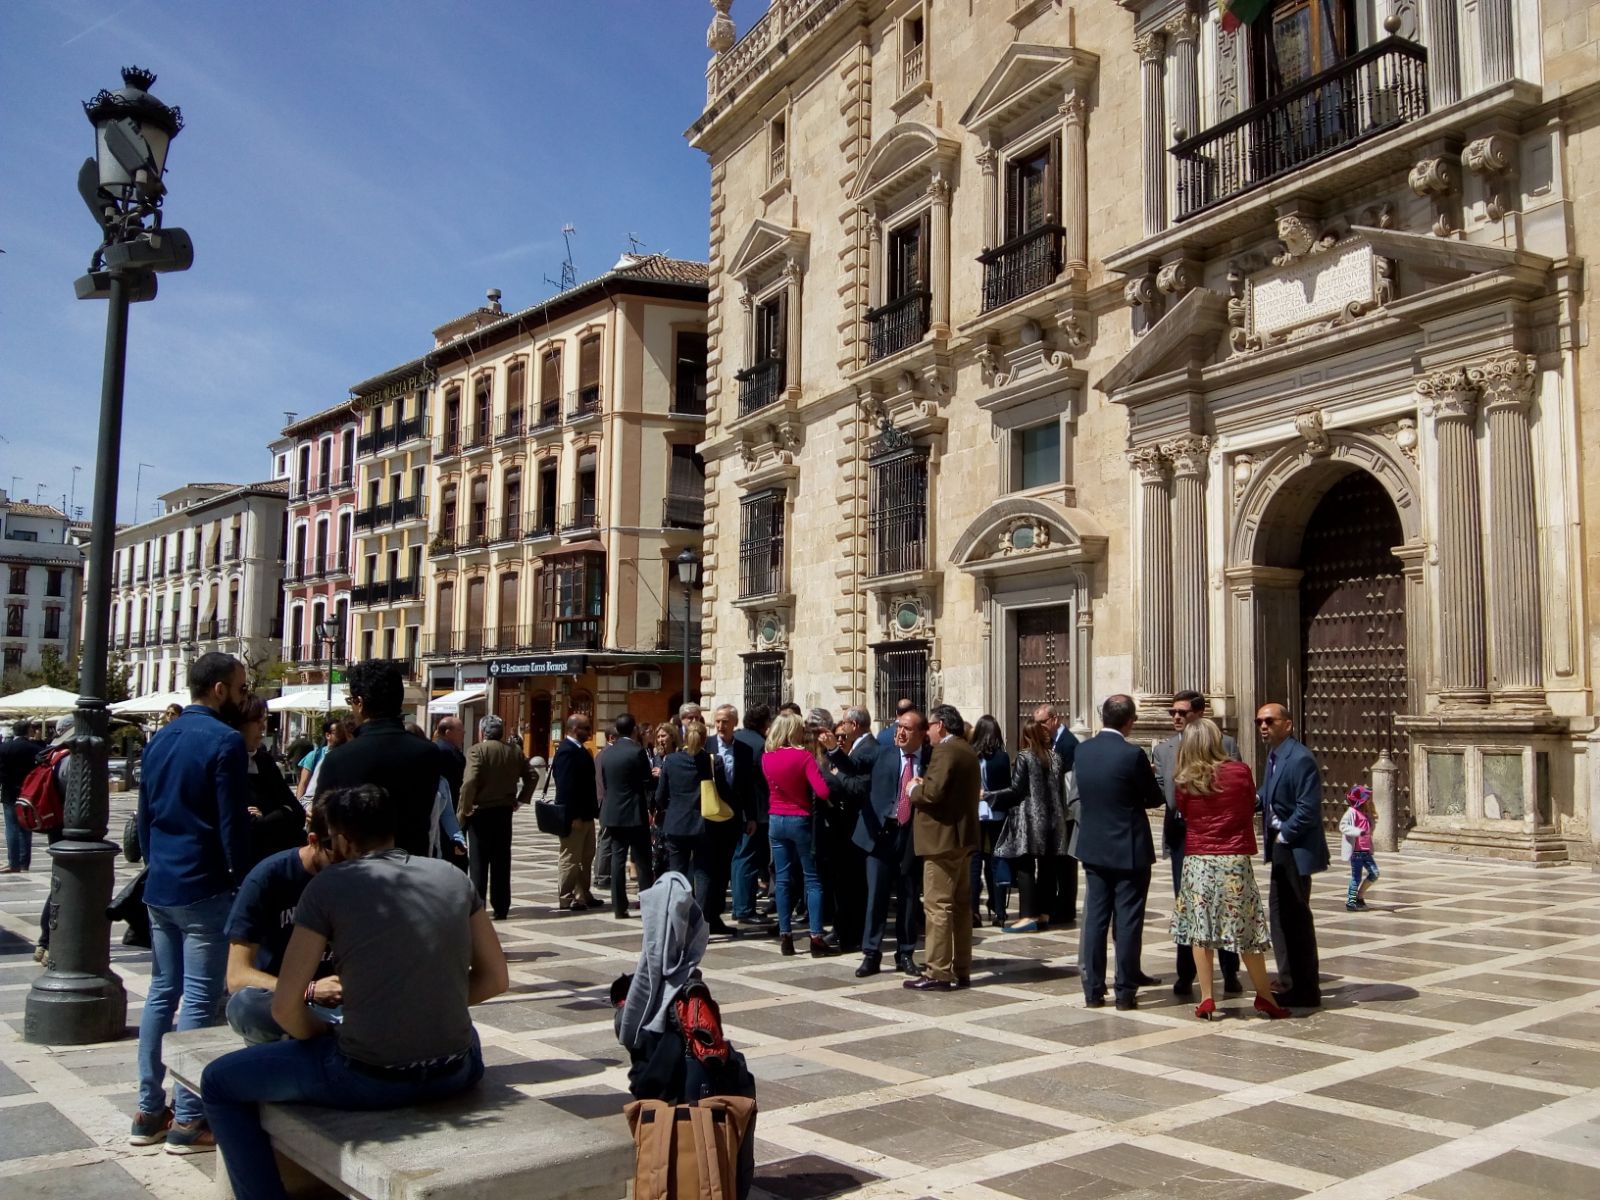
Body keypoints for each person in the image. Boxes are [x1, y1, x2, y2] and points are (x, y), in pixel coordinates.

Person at [200, 784, 509, 1200]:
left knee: (218, 1081)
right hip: (456, 1068)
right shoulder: (452, 876)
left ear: (342, 839)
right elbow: (496, 980)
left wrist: (321, 1035)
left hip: (368, 1077)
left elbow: (286, 1005)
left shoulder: (328, 888)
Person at [131, 652, 253, 1151]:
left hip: (161, 883)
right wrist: (243, 880)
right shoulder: (224, 741)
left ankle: (147, 1109)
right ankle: (188, 1118)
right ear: (220, 689)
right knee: (200, 999)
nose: (246, 696)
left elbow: (144, 814)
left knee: (162, 993)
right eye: (242, 688)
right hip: (204, 884)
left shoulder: (162, 736)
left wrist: (154, 866)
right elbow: (231, 824)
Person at [1169, 718, 1289, 1021]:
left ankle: (1207, 998)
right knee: (1246, 930)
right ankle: (1264, 995)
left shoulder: (1183, 779)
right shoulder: (1240, 771)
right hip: (1233, 859)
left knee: (1201, 930)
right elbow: (1250, 805)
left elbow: (1182, 811)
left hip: (1198, 861)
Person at [223, 798, 342, 1044]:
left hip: (346, 1002)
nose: (346, 865)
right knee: (244, 1005)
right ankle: (327, 1037)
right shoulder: (268, 878)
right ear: (313, 841)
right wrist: (308, 990)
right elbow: (237, 976)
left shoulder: (358, 877)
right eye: (337, 855)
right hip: (288, 1001)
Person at [1073, 694, 1164, 1011]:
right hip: (1129, 848)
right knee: (1128, 922)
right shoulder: (1132, 754)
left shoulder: (1083, 751)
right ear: (1129, 721)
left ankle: (1093, 991)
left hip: (1094, 847)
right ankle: (1125, 991)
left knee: (1095, 920)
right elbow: (1154, 798)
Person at [1153, 691, 1242, 998]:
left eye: (1182, 713)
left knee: (1227, 904)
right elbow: (1164, 793)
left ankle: (1230, 971)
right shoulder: (1164, 750)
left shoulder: (1226, 744)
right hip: (1183, 836)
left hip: (1219, 836)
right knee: (1186, 905)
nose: (1176, 718)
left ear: (1199, 713)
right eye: (1172, 713)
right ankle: (1185, 973)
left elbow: (1236, 788)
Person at [314, 660, 442, 858]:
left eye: (351, 702)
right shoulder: (428, 754)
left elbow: (321, 825)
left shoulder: (338, 759)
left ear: (360, 703)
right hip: (413, 869)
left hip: (357, 873)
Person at [1256, 702, 1330, 1008]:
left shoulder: (1299, 759)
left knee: (1296, 918)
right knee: (1279, 915)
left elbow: (1308, 807)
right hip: (1280, 848)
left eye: (1269, 721)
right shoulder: (1275, 756)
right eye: (1259, 721)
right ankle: (1288, 980)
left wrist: (1284, 832)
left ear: (1287, 724)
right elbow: (1266, 795)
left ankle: (1306, 988)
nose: (1263, 726)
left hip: (1294, 849)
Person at [904, 704, 981, 991]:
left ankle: (937, 971)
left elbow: (933, 793)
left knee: (937, 907)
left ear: (942, 726)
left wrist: (914, 788)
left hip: (941, 841)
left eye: (931, 726)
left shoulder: (945, 750)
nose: (928, 733)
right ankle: (962, 967)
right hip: (962, 838)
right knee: (961, 906)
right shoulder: (966, 749)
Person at [853, 707, 929, 977]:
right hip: (881, 835)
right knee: (877, 895)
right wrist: (833, 752)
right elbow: (854, 767)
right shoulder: (882, 752)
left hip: (911, 835)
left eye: (907, 728)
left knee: (909, 895)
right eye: (899, 727)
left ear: (922, 733)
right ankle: (871, 954)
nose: (900, 732)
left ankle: (906, 953)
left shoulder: (930, 760)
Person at [654, 719, 738, 934]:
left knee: (677, 876)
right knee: (704, 876)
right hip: (704, 826)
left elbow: (660, 796)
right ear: (704, 740)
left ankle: (676, 924)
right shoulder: (713, 762)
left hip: (676, 825)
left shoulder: (671, 761)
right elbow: (725, 794)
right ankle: (701, 925)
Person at [762, 712, 835, 957]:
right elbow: (823, 792)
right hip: (800, 818)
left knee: (782, 879)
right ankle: (816, 936)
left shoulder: (767, 757)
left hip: (776, 818)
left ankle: (786, 935)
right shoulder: (803, 756)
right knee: (811, 879)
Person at [989, 718, 1069, 933]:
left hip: (1031, 819)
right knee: (1047, 868)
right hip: (1054, 819)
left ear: (1025, 737)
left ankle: (1027, 915)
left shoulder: (1024, 757)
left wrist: (989, 796)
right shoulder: (1056, 757)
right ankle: (1044, 913)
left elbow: (1016, 790)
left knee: (1024, 866)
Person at [458, 714, 532, 920]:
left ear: (482, 732)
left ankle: (478, 906)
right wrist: (521, 799)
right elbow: (532, 776)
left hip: (481, 812)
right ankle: (501, 906)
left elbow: (470, 781)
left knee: (479, 862)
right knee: (501, 860)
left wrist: (465, 807)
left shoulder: (477, 751)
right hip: (504, 812)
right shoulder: (514, 751)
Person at [819, 705, 876, 947]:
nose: (841, 729)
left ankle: (851, 932)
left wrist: (835, 774)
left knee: (853, 883)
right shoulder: (858, 747)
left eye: (844, 724)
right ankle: (843, 927)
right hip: (846, 825)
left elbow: (858, 786)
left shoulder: (868, 749)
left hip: (857, 824)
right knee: (844, 882)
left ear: (854, 725)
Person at [237, 696, 306, 867]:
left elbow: (297, 814)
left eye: (264, 720)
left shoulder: (264, 761)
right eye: (256, 721)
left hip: (274, 860)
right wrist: (282, 813)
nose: (263, 727)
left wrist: (268, 818)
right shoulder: (228, 765)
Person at [600, 713, 656, 918]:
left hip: (613, 812)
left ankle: (618, 905)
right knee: (642, 860)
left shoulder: (607, 753)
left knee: (617, 858)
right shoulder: (637, 751)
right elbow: (646, 781)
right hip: (634, 812)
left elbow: (606, 782)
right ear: (634, 730)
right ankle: (648, 902)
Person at [707, 704, 757, 929]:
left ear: (734, 724)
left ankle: (715, 914)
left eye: (725, 721)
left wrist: (752, 817)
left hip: (733, 817)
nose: (720, 726)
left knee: (724, 867)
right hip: (708, 817)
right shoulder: (706, 746)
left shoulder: (745, 750)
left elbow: (748, 787)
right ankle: (704, 914)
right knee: (708, 866)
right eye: (717, 721)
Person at [1033, 703, 1080, 921]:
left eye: (1042, 722)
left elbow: (1070, 782)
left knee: (1065, 863)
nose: (1039, 727)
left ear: (1054, 719)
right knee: (1053, 861)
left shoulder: (1068, 744)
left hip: (1064, 814)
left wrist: (1066, 812)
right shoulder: (1051, 742)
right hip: (1053, 814)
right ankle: (1052, 906)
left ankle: (1065, 909)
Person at [552, 712, 600, 910]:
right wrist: (572, 816)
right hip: (574, 817)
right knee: (570, 858)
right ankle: (566, 896)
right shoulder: (566, 751)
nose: (589, 732)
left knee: (587, 856)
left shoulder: (581, 750)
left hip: (587, 814)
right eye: (585, 728)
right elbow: (565, 787)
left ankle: (583, 893)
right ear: (573, 729)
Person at [730, 705, 772, 927]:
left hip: (737, 810)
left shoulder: (736, 739)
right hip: (756, 811)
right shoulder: (760, 745)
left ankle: (740, 906)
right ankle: (745, 908)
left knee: (739, 858)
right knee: (748, 859)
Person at [969, 715, 1011, 927]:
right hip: (997, 813)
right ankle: (1000, 912)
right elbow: (1007, 787)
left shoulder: (971, 755)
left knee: (974, 862)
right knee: (996, 861)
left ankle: (972, 911)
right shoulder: (1002, 758)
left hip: (975, 813)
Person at [0, 718, 44, 873]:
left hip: (10, 793)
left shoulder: (5, 748)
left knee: (11, 828)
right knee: (26, 827)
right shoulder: (35, 749)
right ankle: (25, 863)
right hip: (30, 794)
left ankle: (14, 863)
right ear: (28, 731)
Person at [1342, 784, 1379, 911]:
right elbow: (1343, 827)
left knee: (1374, 873)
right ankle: (1351, 902)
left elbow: (1370, 829)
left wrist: (1371, 817)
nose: (1369, 800)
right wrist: (1358, 832)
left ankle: (1360, 896)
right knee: (1356, 877)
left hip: (1366, 851)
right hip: (1356, 852)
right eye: (1367, 798)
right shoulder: (1351, 813)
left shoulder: (1365, 813)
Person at [295, 718, 345, 801]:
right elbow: (303, 783)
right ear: (328, 735)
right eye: (338, 733)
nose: (342, 736)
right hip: (314, 801)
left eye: (343, 733)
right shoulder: (315, 755)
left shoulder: (346, 753)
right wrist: (299, 808)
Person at [433, 716, 467, 811]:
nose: (464, 733)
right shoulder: (447, 752)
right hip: (448, 804)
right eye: (460, 730)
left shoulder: (438, 748)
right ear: (448, 733)